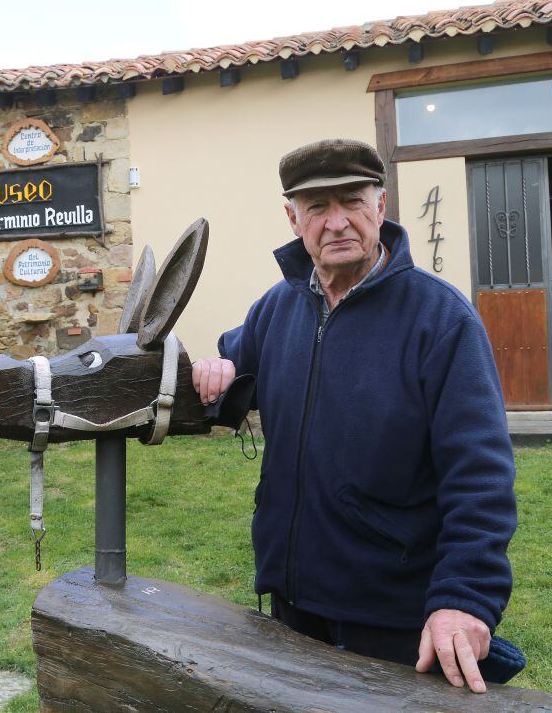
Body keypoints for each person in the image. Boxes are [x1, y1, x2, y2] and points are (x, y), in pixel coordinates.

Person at [193, 139, 516, 693]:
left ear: (381, 207)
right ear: (293, 219)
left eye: (353, 202)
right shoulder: (278, 305)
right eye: (317, 207)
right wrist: (214, 367)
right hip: (293, 595)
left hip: (391, 608)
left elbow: (480, 474)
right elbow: (233, 360)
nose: (337, 222)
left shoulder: (440, 319)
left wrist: (465, 598)